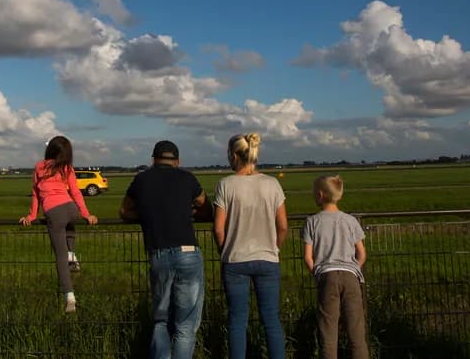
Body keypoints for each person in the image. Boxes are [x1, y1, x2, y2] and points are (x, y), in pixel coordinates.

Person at [119, 140, 208, 359]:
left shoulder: (141, 179)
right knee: (185, 324)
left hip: (158, 253)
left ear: (153, 159)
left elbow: (124, 211)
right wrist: (186, 212)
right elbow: (205, 208)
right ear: (177, 161)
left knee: (161, 320)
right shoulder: (187, 178)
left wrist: (148, 215)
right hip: (188, 252)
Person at [213, 132, 288, 359]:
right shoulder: (272, 184)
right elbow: (283, 225)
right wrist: (275, 247)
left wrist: (225, 250)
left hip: (235, 260)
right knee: (271, 319)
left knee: (237, 320)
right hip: (267, 259)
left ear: (235, 156)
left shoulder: (225, 184)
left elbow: (218, 228)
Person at [19, 135, 98, 313]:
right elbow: (76, 192)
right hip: (71, 207)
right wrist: (86, 214)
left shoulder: (40, 166)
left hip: (53, 212)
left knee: (60, 258)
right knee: (70, 226)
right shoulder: (67, 168)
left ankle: (69, 296)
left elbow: (36, 193)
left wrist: (32, 215)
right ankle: (72, 255)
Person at [302, 175, 369, 359]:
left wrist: (317, 273)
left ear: (320, 195)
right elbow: (362, 253)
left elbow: (308, 257)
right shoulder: (350, 220)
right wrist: (354, 268)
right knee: (357, 332)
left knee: (328, 332)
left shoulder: (312, 221)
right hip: (351, 277)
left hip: (327, 276)